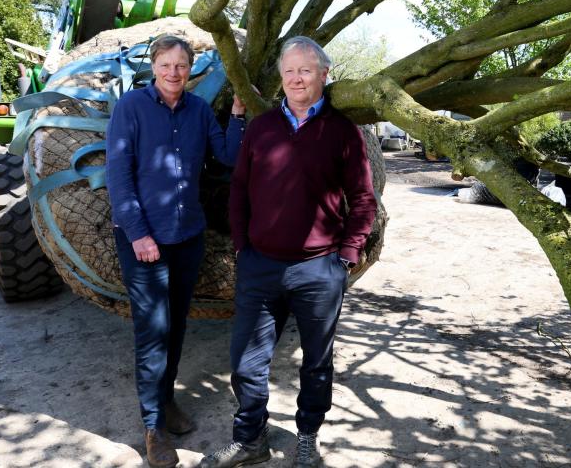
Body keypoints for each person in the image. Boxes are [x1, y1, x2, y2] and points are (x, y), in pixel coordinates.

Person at [205, 36, 377, 468]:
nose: (296, 78)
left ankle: (307, 437)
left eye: (305, 70)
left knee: (316, 363)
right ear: (280, 78)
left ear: (324, 74)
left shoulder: (343, 132)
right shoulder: (262, 127)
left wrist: (347, 254)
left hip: (319, 269)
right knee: (246, 363)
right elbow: (240, 189)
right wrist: (243, 246)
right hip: (260, 266)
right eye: (289, 71)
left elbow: (363, 199)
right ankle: (250, 440)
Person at [106, 35, 248, 468]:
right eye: (166, 65)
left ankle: (165, 403)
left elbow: (227, 156)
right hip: (144, 241)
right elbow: (119, 174)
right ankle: (153, 428)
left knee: (176, 328)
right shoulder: (131, 108)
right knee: (152, 334)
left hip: (187, 238)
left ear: (191, 70)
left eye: (181, 65)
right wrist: (138, 234)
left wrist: (239, 116)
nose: (173, 72)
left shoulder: (200, 111)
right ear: (154, 66)